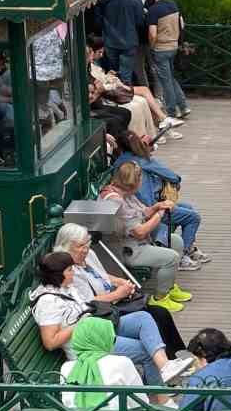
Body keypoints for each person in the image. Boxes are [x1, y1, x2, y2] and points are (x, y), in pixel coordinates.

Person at [31, 252, 195, 383]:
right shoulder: (48, 302)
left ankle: (166, 367)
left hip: (97, 329)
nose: (73, 273)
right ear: (58, 274)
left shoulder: (66, 287)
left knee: (143, 318)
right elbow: (50, 342)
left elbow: (88, 304)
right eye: (69, 270)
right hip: (87, 345)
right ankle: (159, 399)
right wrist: (81, 323)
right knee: (146, 351)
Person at [52, 222, 188, 347]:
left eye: (87, 243)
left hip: (115, 301)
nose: (85, 249)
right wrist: (118, 294)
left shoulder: (88, 254)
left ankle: (177, 355)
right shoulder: (68, 272)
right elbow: (88, 302)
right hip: (104, 313)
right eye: (80, 246)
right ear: (66, 246)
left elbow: (103, 276)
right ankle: (170, 358)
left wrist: (121, 282)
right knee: (156, 315)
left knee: (160, 313)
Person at [102, 161, 192, 301]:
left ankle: (169, 286)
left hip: (140, 242)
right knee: (171, 258)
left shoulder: (126, 192)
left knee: (176, 241)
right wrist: (159, 214)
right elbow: (140, 232)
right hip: (129, 249)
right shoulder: (116, 201)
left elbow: (142, 212)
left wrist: (157, 206)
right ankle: (160, 298)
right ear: (135, 182)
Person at [60, 317, 146, 411]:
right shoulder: (122, 363)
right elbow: (141, 405)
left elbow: (67, 404)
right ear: (103, 339)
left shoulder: (66, 368)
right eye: (112, 339)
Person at [145, 0, 189, 122]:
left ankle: (171, 111)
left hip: (161, 48)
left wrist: (152, 46)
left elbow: (152, 33)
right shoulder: (173, 5)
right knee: (170, 77)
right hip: (174, 46)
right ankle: (183, 106)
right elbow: (181, 24)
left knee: (166, 81)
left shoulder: (153, 10)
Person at [96, 0, 148, 85]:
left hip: (110, 40)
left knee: (112, 72)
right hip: (129, 40)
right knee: (126, 74)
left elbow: (98, 20)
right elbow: (140, 21)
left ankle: (115, 95)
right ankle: (125, 97)